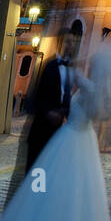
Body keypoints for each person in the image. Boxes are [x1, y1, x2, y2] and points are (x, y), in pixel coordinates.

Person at [0, 50, 111, 221]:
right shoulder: (90, 88)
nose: (89, 67)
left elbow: (92, 108)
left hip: (75, 140)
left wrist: (75, 69)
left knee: (61, 191)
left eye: (93, 65)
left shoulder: (90, 88)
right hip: (69, 138)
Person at [25, 21, 81, 172]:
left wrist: (66, 113)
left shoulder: (70, 69)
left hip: (57, 130)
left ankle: (40, 194)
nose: (71, 46)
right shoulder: (49, 66)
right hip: (41, 128)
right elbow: (37, 96)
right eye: (68, 42)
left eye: (73, 43)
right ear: (60, 43)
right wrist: (49, 112)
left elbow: (66, 96)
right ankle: (33, 195)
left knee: (48, 170)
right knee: (35, 171)